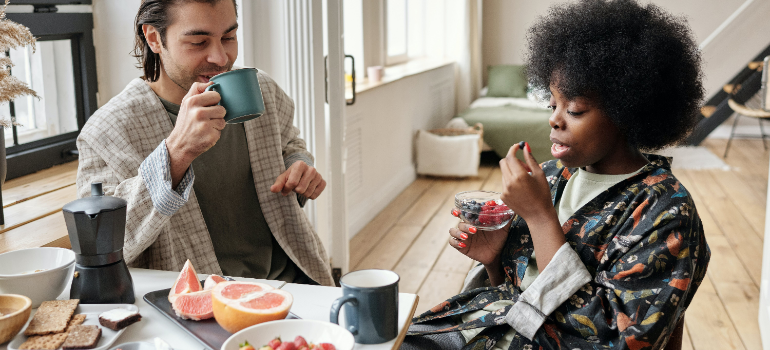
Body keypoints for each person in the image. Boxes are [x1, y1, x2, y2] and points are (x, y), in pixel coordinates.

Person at [403, 0, 710, 348]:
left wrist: (539, 216)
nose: (554, 119)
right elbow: (518, 291)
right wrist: (493, 260)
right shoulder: (551, 178)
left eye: (575, 109)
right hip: (485, 327)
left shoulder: (665, 211)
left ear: (629, 110)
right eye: (553, 105)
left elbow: (618, 338)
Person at [75, 0, 333, 286]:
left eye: (228, 37)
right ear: (153, 38)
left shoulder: (261, 90)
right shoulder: (107, 130)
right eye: (198, 42)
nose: (221, 58)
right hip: (198, 301)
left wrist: (299, 165)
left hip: (296, 282)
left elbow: (289, 143)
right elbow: (100, 244)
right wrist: (176, 153)